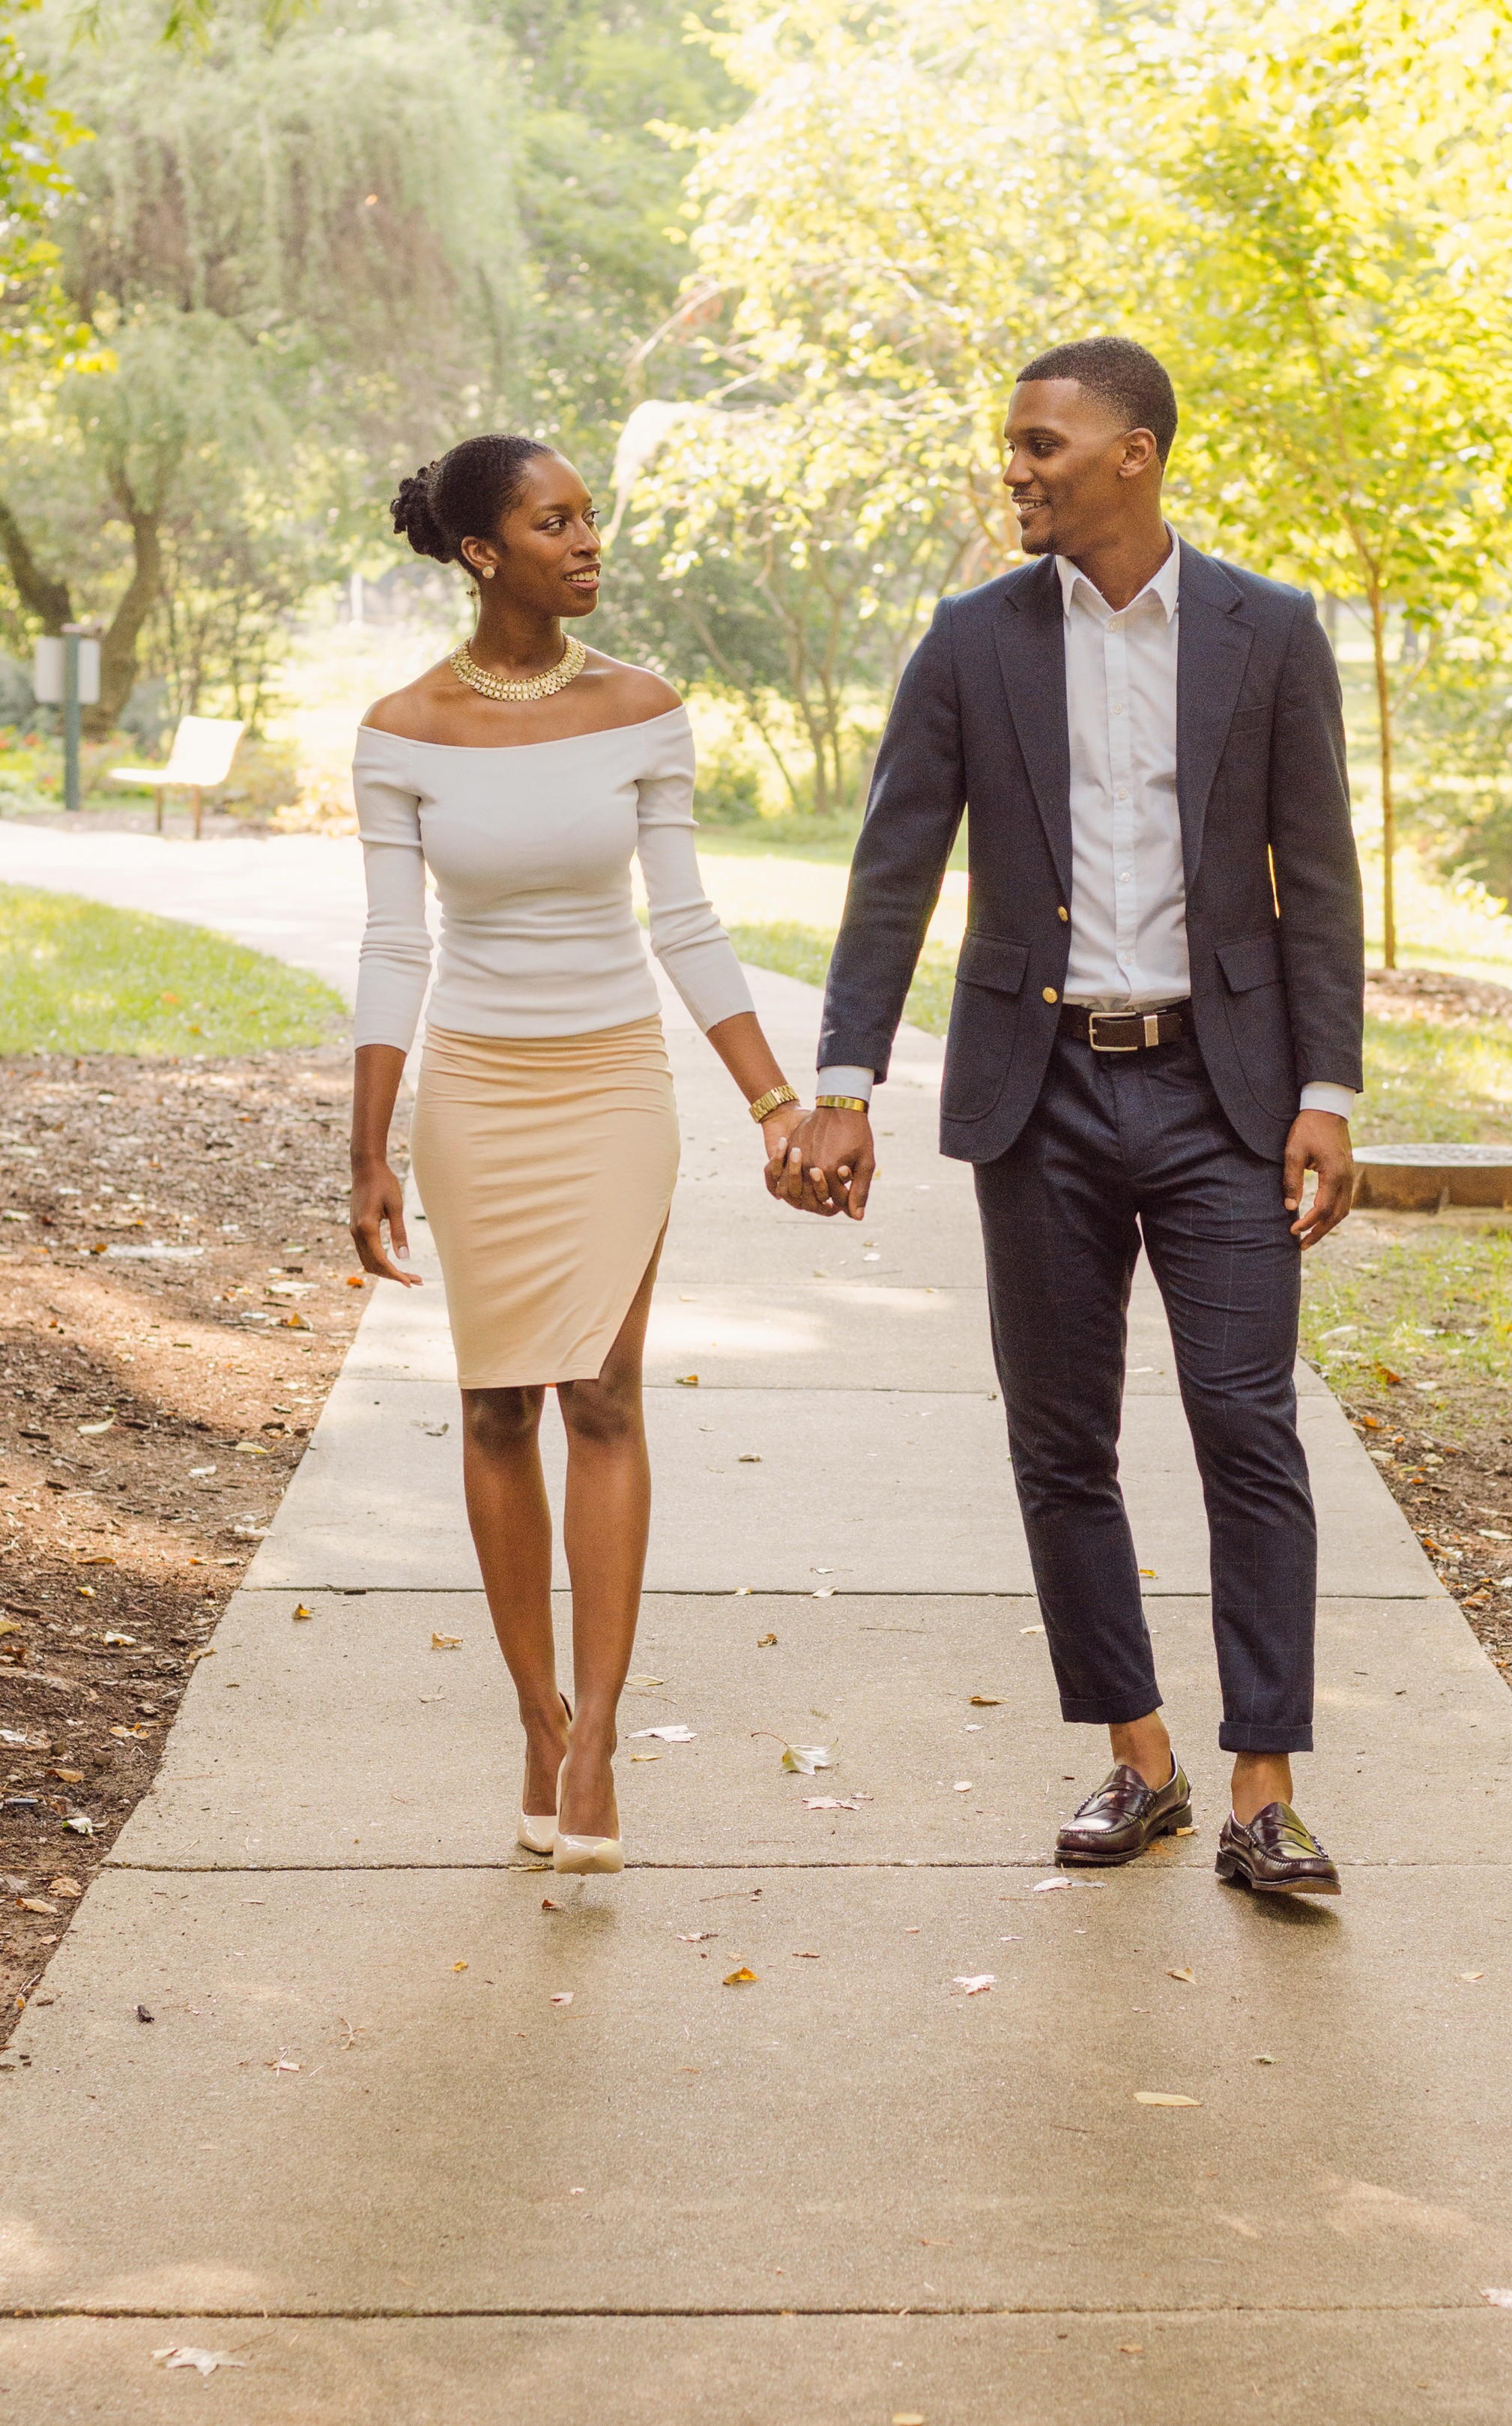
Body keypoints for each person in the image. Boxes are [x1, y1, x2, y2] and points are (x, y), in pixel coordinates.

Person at [777, 339, 1364, 1893]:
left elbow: (1319, 878)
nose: (1018, 468)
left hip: (1222, 1092)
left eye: (1043, 444)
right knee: (1062, 1443)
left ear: (1134, 454)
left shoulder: (1268, 630)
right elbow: (893, 870)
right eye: (1013, 446)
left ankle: (1265, 1785)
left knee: (1250, 1428)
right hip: (1037, 1096)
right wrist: (843, 1083)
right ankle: (1141, 1760)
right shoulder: (972, 641)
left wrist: (1326, 1092)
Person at [349, 433, 808, 1877]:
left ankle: (599, 1737)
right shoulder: (402, 729)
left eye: (590, 518)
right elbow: (391, 945)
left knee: (602, 1395)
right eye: (555, 524)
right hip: (476, 1091)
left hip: (613, 1080)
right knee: (496, 1410)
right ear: (483, 553)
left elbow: (684, 922)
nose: (588, 543)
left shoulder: (643, 709)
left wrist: (772, 1100)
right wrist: (368, 1146)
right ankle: (535, 1722)